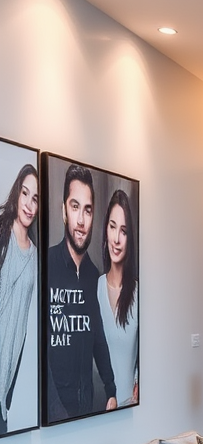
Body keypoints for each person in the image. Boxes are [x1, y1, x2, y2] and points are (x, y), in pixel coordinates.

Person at [46, 163, 117, 421]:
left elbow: (97, 337)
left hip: (87, 411)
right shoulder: (47, 265)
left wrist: (111, 389)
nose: (80, 220)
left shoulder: (93, 275)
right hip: (53, 415)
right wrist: (54, 410)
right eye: (74, 207)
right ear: (64, 210)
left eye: (87, 210)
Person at [0, 162, 39, 435]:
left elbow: (24, 323)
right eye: (25, 193)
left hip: (7, 376)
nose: (28, 204)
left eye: (35, 198)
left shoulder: (36, 255)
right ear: (16, 193)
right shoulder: (1, 234)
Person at [97, 188, 138, 407]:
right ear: (105, 230)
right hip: (98, 410)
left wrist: (139, 382)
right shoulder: (95, 288)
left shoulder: (138, 294)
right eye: (112, 227)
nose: (116, 239)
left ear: (129, 238)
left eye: (123, 231)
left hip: (131, 406)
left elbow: (146, 350)